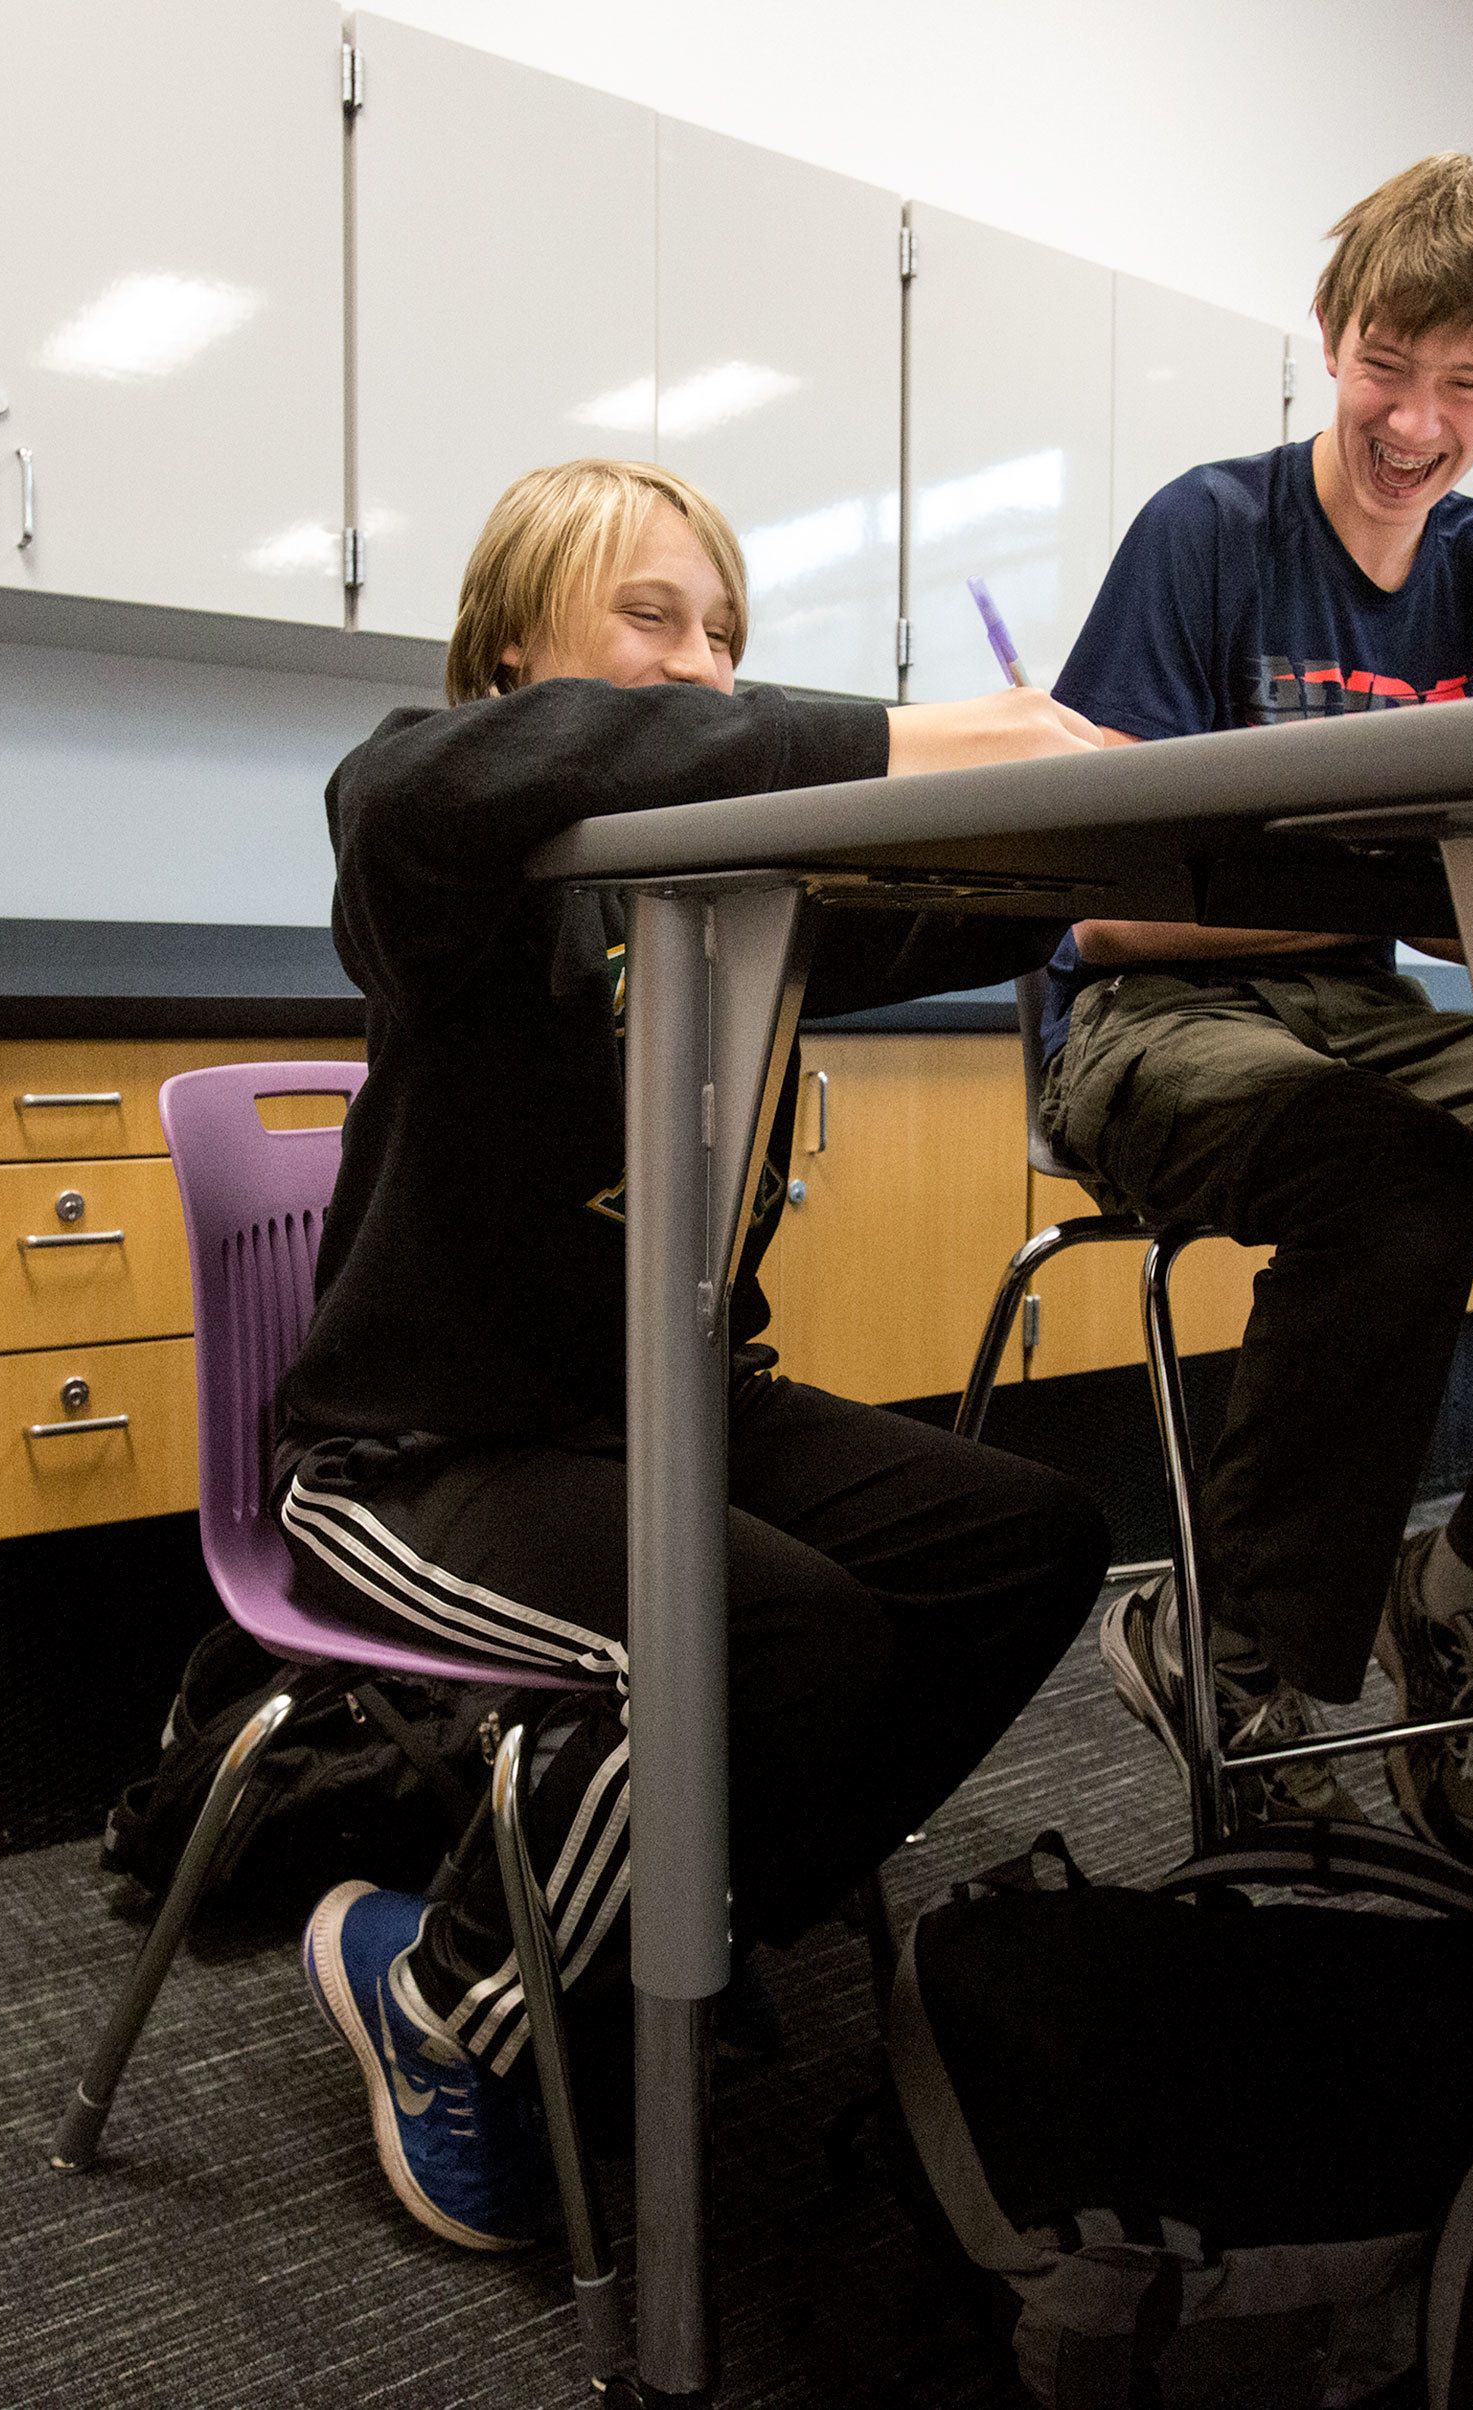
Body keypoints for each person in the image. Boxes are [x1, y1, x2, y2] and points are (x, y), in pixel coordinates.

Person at [278, 457, 1112, 2249]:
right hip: (415, 1454)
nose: (705, 662)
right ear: (510, 659)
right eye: (650, 615)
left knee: (1030, 1538)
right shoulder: (452, 858)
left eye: (726, 631)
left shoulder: (738, 897)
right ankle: (451, 1996)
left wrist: (1101, 830)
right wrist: (925, 733)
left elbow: (981, 892)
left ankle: (691, 1919)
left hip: (669, 1415)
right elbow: (402, 790)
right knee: (774, 1629)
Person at [1038, 153, 1473, 1867]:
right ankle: (1241, 1660)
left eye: (1468, 386)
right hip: (1139, 1020)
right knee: (1399, 1185)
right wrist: (1371, 886)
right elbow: (1105, 900)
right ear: (1330, 335)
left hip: (1357, 1010)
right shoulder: (1209, 533)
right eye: (1383, 364)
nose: (1414, 420)